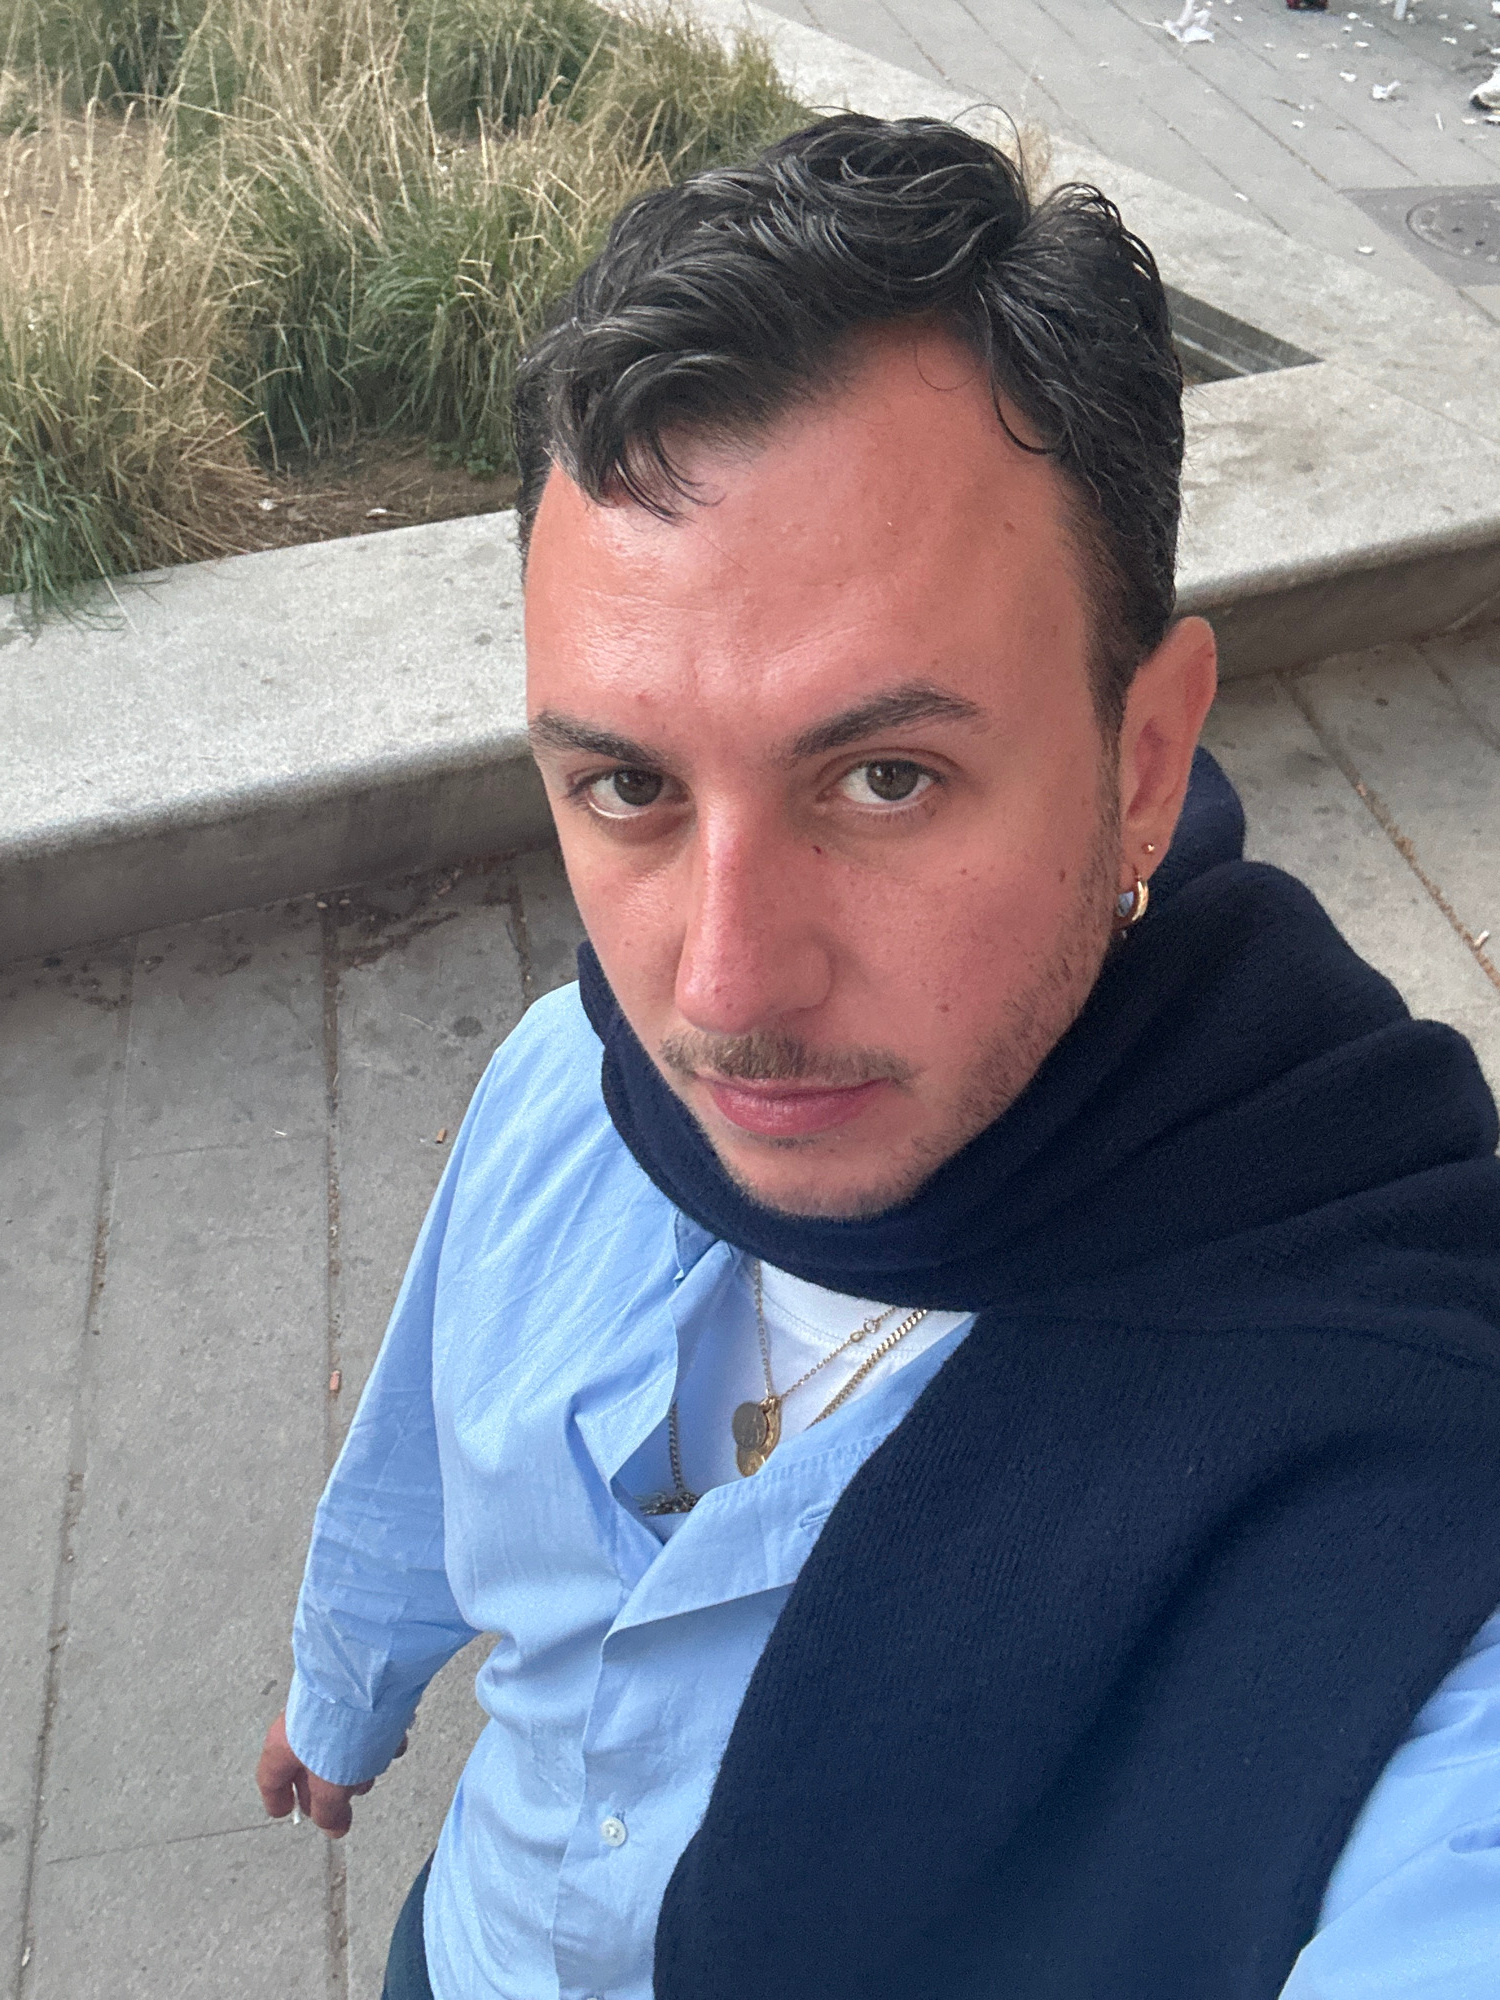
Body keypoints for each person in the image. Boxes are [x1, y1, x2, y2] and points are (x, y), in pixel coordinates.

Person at [255, 115, 1500, 1999]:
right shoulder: (564, 1089)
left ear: (1145, 761)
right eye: (628, 787)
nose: (724, 987)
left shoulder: (1404, 1464)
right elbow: (429, 1446)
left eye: (888, 777)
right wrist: (344, 1687)